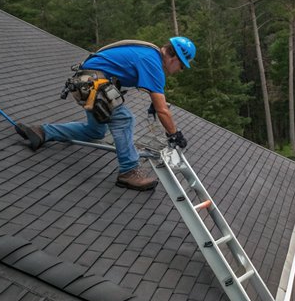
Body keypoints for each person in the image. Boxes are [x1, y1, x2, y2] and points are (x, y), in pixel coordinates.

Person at [14, 36, 196, 191]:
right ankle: (129, 171)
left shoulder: (149, 54)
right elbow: (162, 110)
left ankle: (42, 132)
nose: (180, 71)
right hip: (93, 83)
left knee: (95, 132)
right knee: (124, 119)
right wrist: (174, 134)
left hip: (86, 82)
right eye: (182, 66)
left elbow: (156, 101)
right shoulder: (152, 62)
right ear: (174, 58)